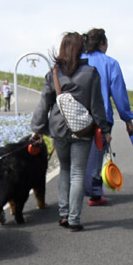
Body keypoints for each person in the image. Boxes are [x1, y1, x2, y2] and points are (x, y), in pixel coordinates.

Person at [30, 32, 110, 232]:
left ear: (62, 49)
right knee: (77, 173)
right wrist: (105, 129)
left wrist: (37, 130)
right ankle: (74, 219)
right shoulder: (91, 73)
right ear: (81, 48)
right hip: (82, 131)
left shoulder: (54, 73)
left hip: (58, 129)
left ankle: (63, 214)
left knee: (64, 170)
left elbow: (44, 104)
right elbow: (97, 106)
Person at [81, 28, 133, 206]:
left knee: (78, 154)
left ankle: (76, 190)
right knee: (97, 154)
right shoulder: (110, 63)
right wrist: (127, 118)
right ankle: (95, 193)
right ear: (102, 44)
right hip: (102, 117)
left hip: (78, 115)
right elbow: (119, 94)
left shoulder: (79, 60)